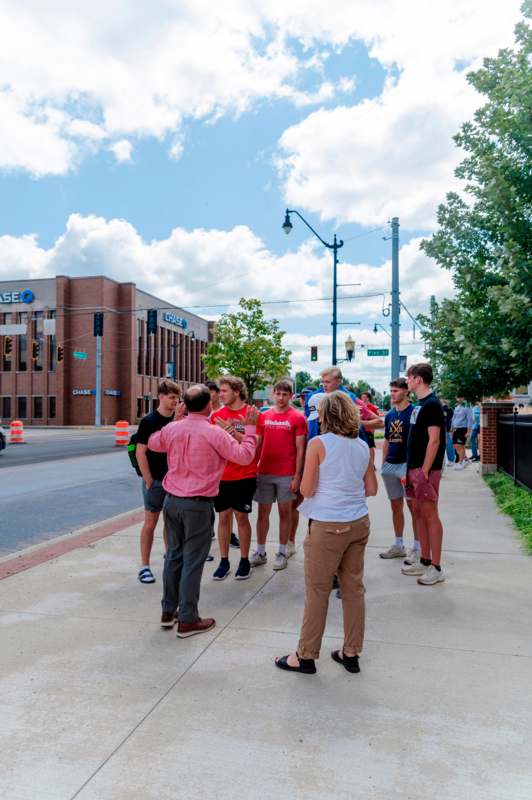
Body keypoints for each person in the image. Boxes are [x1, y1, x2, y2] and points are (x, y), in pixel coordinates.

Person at [275, 391, 377, 675]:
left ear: (326, 415)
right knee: (353, 589)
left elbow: (307, 490)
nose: (316, 417)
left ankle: (305, 655)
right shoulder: (360, 444)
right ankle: (351, 652)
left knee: (317, 590)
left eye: (319, 413)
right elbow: (371, 489)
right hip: (358, 521)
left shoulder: (318, 443)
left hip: (327, 524)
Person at [148, 384, 259, 637]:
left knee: (173, 556)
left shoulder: (174, 428)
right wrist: (250, 430)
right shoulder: (214, 432)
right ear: (208, 405)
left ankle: (168, 611)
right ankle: (187, 618)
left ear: (184, 405)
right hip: (197, 504)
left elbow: (154, 443)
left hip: (172, 501)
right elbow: (244, 456)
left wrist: (174, 421)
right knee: (192, 561)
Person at [251, 380, 307, 571]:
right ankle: (260, 552)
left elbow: (301, 449)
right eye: (278, 393)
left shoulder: (298, 418)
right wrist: (253, 468)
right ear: (273, 394)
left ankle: (282, 552)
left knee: (285, 513)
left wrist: (297, 476)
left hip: (287, 474)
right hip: (265, 471)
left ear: (291, 396)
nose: (281, 398)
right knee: (262, 514)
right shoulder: (263, 416)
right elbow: (257, 444)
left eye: (285, 394)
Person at [210, 376, 261, 581]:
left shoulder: (253, 414)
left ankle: (244, 560)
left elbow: (255, 447)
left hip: (244, 474)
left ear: (237, 392)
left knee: (241, 517)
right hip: (222, 476)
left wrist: (232, 433)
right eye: (219, 391)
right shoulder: (216, 416)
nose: (220, 394)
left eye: (224, 391)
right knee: (223, 517)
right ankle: (224, 561)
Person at [401, 363, 447, 586]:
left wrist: (425, 471)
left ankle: (436, 567)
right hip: (413, 468)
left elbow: (434, 440)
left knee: (430, 513)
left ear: (418, 379)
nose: (406, 381)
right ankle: (424, 558)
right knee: (418, 511)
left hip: (425, 470)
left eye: (408, 378)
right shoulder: (420, 405)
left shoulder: (432, 405)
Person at [135, 379, 184, 584]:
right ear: (161, 397)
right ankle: (144, 566)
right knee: (150, 523)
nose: (175, 402)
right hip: (155, 480)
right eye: (171, 397)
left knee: (171, 523)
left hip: (174, 480)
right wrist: (148, 479)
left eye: (177, 398)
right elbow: (141, 452)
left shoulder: (180, 419)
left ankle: (169, 557)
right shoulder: (149, 421)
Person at [379, 378, 419, 563]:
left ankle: (418, 546)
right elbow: (387, 440)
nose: (392, 394)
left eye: (395, 391)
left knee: (413, 507)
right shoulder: (390, 415)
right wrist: (384, 463)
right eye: (391, 391)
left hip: (407, 465)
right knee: (395, 506)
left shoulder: (414, 413)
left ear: (405, 392)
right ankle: (398, 544)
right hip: (390, 465)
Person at [304, 367, 383, 444]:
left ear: (339, 381)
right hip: (316, 447)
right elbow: (307, 423)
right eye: (323, 382)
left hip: (343, 448)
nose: (324, 385)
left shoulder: (351, 399)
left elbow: (380, 422)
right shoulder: (313, 398)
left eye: (327, 382)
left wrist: (353, 423)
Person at [451, 397, 474, 470]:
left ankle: (461, 462)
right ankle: (466, 459)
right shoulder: (457, 407)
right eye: (457, 397)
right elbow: (453, 418)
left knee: (459, 445)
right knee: (455, 445)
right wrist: (452, 429)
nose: (457, 398)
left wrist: (469, 431)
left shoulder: (467, 406)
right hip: (455, 429)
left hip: (462, 429)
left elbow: (470, 420)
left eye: (459, 397)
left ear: (463, 398)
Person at [440, 398, 456, 465]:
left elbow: (449, 418)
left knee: (448, 444)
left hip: (446, 428)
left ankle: (451, 460)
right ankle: (450, 459)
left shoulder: (447, 409)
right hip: (445, 428)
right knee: (447, 444)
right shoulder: (443, 409)